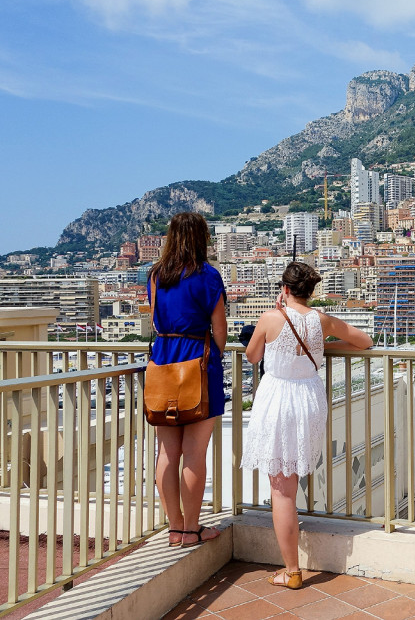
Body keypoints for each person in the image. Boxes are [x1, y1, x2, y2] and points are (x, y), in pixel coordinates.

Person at [240, 262, 372, 589]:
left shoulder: (271, 318)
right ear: (310, 291)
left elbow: (252, 356)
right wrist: (324, 346)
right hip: (309, 400)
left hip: (279, 400)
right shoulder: (320, 320)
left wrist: (276, 314)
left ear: (284, 289)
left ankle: (292, 569)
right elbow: (364, 341)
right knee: (290, 479)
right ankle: (292, 567)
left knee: (281, 488)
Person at [148, 212, 227, 549]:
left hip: (163, 361)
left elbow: (154, 321)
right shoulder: (208, 276)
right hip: (199, 362)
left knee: (167, 452)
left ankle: (175, 528)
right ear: (202, 238)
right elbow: (220, 330)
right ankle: (193, 529)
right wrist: (214, 356)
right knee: (195, 453)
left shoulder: (156, 276)